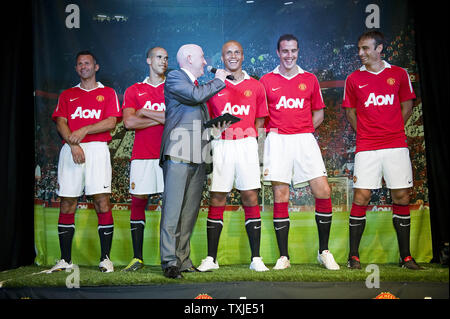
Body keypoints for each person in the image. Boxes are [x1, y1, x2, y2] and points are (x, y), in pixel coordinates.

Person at [259, 34, 340, 270]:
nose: (289, 55)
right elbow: (262, 117)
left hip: (304, 139)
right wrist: (276, 137)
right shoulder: (266, 80)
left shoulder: (310, 79)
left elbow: (319, 114)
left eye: (293, 51)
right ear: (278, 52)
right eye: (285, 51)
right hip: (277, 140)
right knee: (281, 195)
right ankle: (284, 256)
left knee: (323, 190)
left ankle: (323, 252)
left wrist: (301, 131)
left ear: (298, 51)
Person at [342, 30, 421, 270]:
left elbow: (407, 105)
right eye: (359, 48)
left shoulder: (398, 74)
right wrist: (365, 133)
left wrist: (394, 127)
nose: (361, 53)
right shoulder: (353, 78)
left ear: (379, 49)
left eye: (366, 48)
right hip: (367, 146)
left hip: (396, 144)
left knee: (401, 196)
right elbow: (350, 111)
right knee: (361, 197)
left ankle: (406, 257)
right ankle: (353, 257)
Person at [197, 40, 270, 272]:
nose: (233, 56)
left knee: (250, 196)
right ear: (222, 56)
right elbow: (204, 120)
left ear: (242, 56)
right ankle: (211, 259)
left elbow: (260, 121)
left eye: (237, 52)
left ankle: (256, 258)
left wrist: (255, 146)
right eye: (228, 52)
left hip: (247, 143)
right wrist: (212, 132)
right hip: (222, 144)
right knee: (217, 197)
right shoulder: (213, 85)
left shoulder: (256, 86)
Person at [159, 44, 230, 279]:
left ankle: (183, 259)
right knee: (172, 211)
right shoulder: (175, 77)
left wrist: (215, 128)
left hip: (198, 155)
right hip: (178, 153)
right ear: (189, 58)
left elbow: (196, 105)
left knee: (189, 213)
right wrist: (219, 80)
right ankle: (169, 261)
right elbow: (194, 96)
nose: (205, 61)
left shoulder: (197, 86)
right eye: (202, 56)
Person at [48, 51, 121, 273]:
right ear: (76, 68)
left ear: (96, 67)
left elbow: (110, 122)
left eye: (87, 63)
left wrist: (85, 129)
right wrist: (73, 144)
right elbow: (61, 122)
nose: (83, 66)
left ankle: (105, 259)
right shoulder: (68, 94)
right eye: (79, 64)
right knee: (67, 202)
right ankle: (65, 260)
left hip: (98, 150)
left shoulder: (107, 92)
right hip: (71, 150)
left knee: (102, 202)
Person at [121, 47, 168, 272]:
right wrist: (161, 118)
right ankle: (137, 258)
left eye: (166, 58)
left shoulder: (173, 87)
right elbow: (128, 123)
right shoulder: (134, 90)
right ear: (149, 60)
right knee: (138, 202)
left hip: (169, 154)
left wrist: (145, 112)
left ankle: (170, 258)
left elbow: (174, 118)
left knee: (171, 206)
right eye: (159, 57)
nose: (163, 61)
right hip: (142, 156)